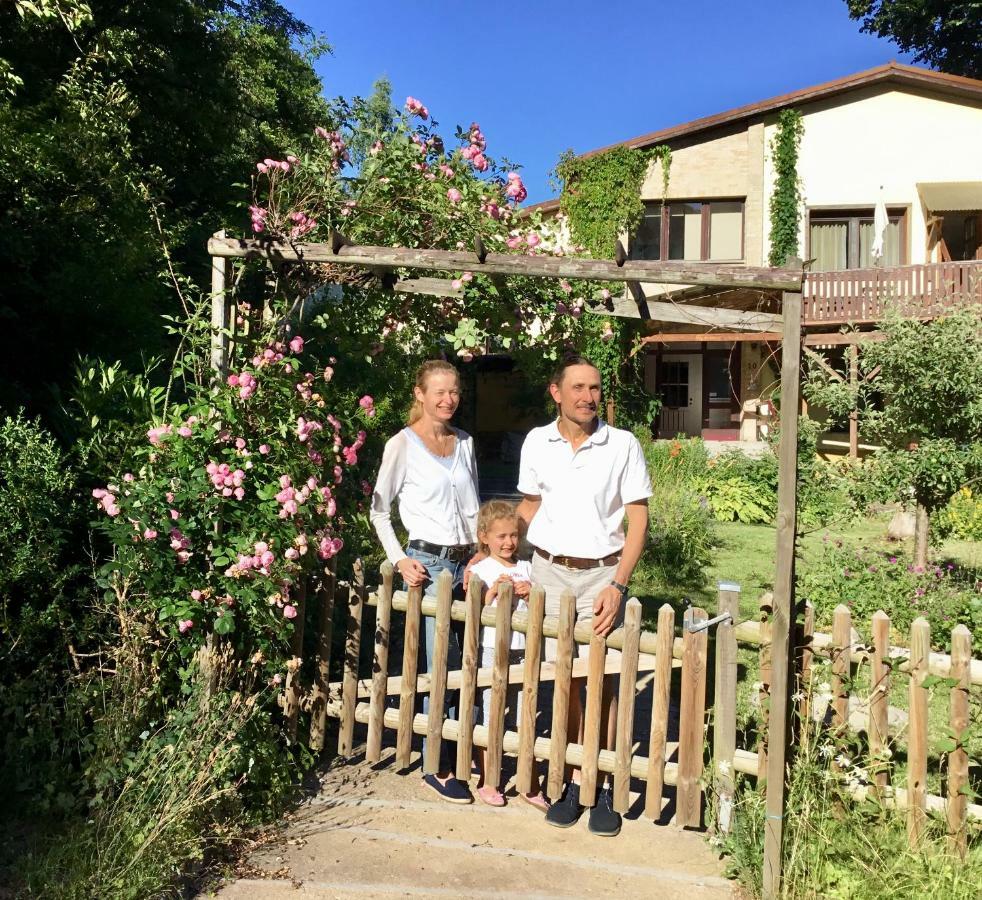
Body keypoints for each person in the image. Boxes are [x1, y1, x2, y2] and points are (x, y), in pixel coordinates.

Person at [516, 353, 651, 837]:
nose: (588, 397)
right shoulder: (538, 442)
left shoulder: (622, 445)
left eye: (594, 388)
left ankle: (608, 784)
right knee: (563, 679)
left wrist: (618, 584)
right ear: (556, 392)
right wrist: (495, 553)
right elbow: (531, 505)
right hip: (549, 573)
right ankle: (573, 780)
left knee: (606, 681)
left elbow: (638, 518)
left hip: (600, 577)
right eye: (577, 388)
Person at [370, 359, 479, 804]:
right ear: (419, 394)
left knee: (471, 657)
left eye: (453, 391)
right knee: (439, 665)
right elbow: (378, 510)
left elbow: (474, 507)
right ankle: (438, 762)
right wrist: (399, 560)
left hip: (468, 564)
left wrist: (482, 557)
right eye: (438, 391)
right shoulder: (402, 445)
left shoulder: (466, 443)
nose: (447, 399)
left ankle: (461, 744)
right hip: (428, 564)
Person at [469, 499, 549, 811]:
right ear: (484, 536)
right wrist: (491, 592)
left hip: (523, 649)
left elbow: (538, 611)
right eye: (501, 537)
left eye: (513, 536)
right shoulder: (480, 569)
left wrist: (531, 592)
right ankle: (489, 779)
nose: (508, 542)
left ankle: (527, 780)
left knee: (524, 713)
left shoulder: (526, 568)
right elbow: (473, 608)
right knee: (492, 712)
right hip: (492, 649)